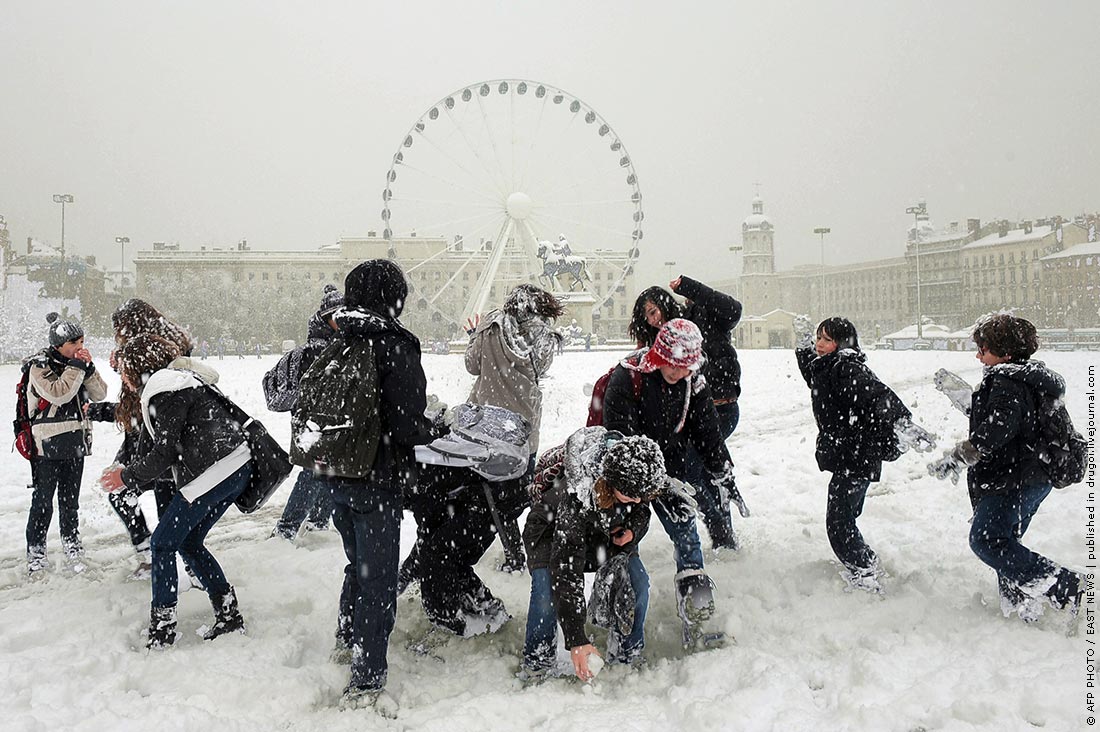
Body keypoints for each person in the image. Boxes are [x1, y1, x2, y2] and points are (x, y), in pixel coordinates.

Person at [301, 259, 434, 717]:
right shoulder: (394, 345)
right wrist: (431, 428)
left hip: (333, 471)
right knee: (378, 579)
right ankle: (366, 676)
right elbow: (407, 426)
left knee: (355, 562)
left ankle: (346, 635)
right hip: (376, 478)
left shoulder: (338, 337)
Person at [928, 314, 1085, 621]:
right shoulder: (1026, 378)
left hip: (1014, 478)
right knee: (1006, 544)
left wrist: (960, 455)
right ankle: (1019, 605)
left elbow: (997, 429)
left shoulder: (1006, 381)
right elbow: (1007, 420)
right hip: (1033, 476)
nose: (978, 356)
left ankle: (1067, 586)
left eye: (983, 349)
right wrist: (965, 397)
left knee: (987, 540)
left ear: (1005, 352)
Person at [99, 334, 252, 649]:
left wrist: (125, 477)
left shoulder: (164, 388)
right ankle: (228, 614)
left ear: (137, 369)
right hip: (235, 467)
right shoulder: (178, 382)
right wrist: (130, 475)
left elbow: (164, 452)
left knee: (163, 543)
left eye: (124, 370)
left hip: (214, 473)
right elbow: (155, 450)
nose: (122, 377)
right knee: (189, 542)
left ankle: (163, 629)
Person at [602, 318, 735, 648]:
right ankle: (623, 629)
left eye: (685, 367)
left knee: (688, 541)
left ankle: (699, 618)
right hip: (627, 477)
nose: (677, 373)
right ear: (659, 355)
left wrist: (721, 469)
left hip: (669, 475)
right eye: (672, 365)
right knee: (622, 545)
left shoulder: (695, 384)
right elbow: (617, 435)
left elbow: (707, 433)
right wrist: (636, 479)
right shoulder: (629, 376)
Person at [795, 316, 933, 593]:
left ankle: (866, 572)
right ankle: (867, 566)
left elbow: (877, 395)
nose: (819, 344)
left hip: (857, 457)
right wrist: (802, 348)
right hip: (850, 455)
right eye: (817, 338)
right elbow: (813, 372)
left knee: (839, 524)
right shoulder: (829, 366)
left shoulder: (846, 368)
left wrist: (902, 423)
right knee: (842, 520)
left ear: (841, 343)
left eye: (825, 339)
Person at [521, 428, 666, 682]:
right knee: (547, 591)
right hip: (549, 530)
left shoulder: (640, 474)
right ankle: (538, 662)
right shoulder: (577, 495)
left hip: (606, 533)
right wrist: (577, 639)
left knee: (637, 583)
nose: (638, 500)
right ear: (612, 483)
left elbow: (642, 510)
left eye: (643, 496)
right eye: (632, 496)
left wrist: (632, 531)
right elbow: (566, 570)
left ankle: (626, 652)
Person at [86, 298, 214, 579]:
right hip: (163, 433)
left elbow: (142, 401)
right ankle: (187, 565)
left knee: (130, 491)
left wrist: (122, 365)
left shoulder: (146, 352)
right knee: (167, 501)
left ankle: (157, 558)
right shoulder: (162, 344)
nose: (116, 334)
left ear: (129, 325)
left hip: (152, 435)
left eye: (118, 328)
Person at [463, 284, 564, 572]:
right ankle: (530, 547)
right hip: (523, 427)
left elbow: (472, 365)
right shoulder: (542, 336)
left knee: (493, 494)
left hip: (488, 426)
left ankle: (511, 550)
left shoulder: (490, 326)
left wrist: (476, 338)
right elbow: (539, 370)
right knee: (519, 493)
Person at [24, 313, 108, 574]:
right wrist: (78, 367)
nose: (80, 347)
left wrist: (90, 369)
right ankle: (36, 549)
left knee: (70, 501)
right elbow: (59, 393)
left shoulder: (79, 365)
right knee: (43, 501)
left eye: (82, 341)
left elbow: (100, 394)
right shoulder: (39, 365)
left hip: (75, 441)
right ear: (58, 345)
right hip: (47, 443)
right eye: (74, 343)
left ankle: (71, 542)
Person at [669, 275, 744, 550]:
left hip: (722, 407)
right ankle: (723, 533)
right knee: (708, 469)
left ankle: (720, 529)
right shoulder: (685, 322)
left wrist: (691, 286)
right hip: (699, 411)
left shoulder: (718, 316)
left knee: (694, 468)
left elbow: (733, 308)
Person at [267, 284, 343, 541]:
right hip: (313, 424)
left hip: (326, 424)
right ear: (325, 319)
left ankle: (318, 522)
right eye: (336, 316)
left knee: (329, 471)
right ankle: (286, 529)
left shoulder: (336, 346)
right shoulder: (316, 351)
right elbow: (312, 391)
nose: (340, 320)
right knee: (314, 472)